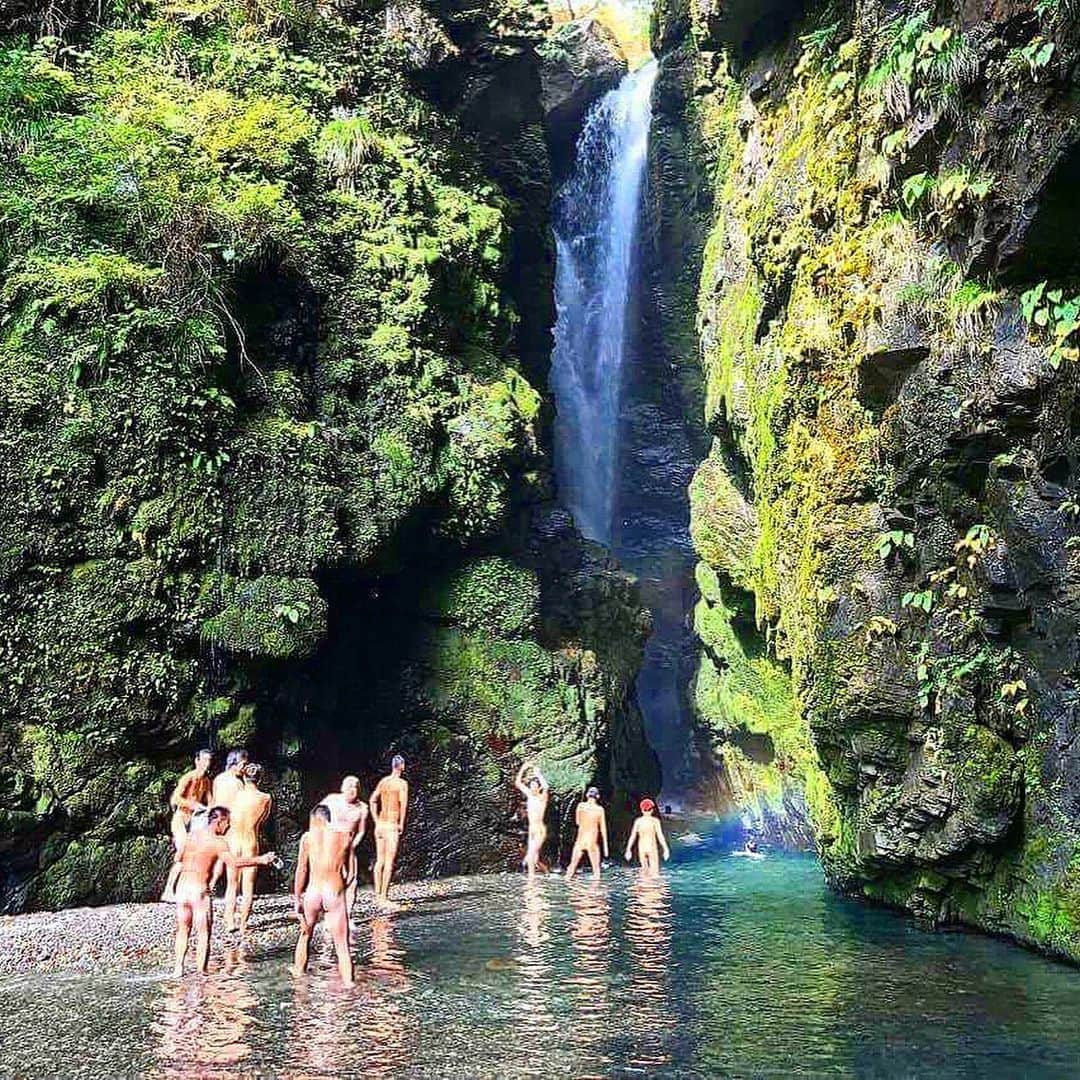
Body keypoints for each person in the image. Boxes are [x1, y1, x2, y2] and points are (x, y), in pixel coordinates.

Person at [172, 806, 276, 977]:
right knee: (203, 933)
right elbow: (233, 863)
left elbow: (178, 858)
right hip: (199, 890)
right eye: (227, 823)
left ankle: (178, 969)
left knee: (183, 929)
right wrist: (261, 859)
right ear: (218, 821)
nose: (228, 827)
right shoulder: (218, 842)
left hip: (182, 888)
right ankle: (201, 973)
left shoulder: (191, 836)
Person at [291, 804, 355, 986]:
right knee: (342, 945)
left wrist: (297, 898)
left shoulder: (308, 838)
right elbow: (350, 874)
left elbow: (301, 869)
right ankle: (349, 985)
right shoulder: (345, 836)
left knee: (305, 935)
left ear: (315, 819)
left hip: (313, 892)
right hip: (333, 892)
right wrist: (340, 888)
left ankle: (298, 976)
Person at [224, 762, 273, 933]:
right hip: (250, 839)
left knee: (232, 884)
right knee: (248, 884)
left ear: (244, 777)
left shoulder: (235, 795)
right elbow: (264, 819)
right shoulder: (265, 798)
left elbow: (228, 815)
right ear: (259, 779)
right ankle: (244, 924)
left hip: (233, 839)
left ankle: (230, 922)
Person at [162, 748, 213, 901]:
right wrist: (194, 805)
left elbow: (211, 802)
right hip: (181, 820)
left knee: (194, 854)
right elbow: (175, 799)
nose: (207, 764)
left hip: (195, 821)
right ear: (197, 761)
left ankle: (189, 888)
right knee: (183, 852)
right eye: (204, 760)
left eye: (209, 761)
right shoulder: (188, 777)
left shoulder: (206, 781)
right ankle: (168, 891)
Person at [319, 775, 369, 914]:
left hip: (349, 847)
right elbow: (318, 817)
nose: (352, 790)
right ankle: (329, 914)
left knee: (352, 880)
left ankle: (347, 914)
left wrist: (352, 845)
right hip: (331, 846)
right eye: (349, 787)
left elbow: (361, 831)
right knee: (330, 880)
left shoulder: (363, 808)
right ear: (342, 788)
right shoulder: (331, 800)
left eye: (355, 787)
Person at [370, 754, 409, 904]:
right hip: (391, 824)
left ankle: (377, 894)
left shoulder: (383, 782)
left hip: (380, 824)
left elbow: (372, 800)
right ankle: (383, 897)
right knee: (388, 861)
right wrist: (401, 823)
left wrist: (375, 820)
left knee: (379, 861)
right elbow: (403, 804)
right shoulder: (402, 784)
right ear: (401, 766)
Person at [566, 786, 608, 882]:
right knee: (596, 872)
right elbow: (603, 829)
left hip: (580, 841)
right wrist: (605, 846)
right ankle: (594, 894)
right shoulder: (600, 809)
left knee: (571, 868)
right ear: (597, 796)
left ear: (587, 795)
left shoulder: (580, 806)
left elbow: (577, 822)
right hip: (592, 842)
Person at [514, 761, 548, 879]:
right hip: (532, 830)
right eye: (531, 785)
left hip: (539, 830)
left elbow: (546, 787)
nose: (532, 787)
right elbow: (518, 783)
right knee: (536, 860)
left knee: (531, 856)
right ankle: (548, 875)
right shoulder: (529, 795)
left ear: (538, 787)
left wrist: (538, 774)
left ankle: (531, 879)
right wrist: (523, 768)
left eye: (535, 785)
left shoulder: (542, 797)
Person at [625, 798, 670, 878]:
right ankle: (654, 889)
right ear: (652, 810)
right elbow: (660, 836)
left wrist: (628, 850)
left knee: (644, 872)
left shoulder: (638, 821)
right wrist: (665, 849)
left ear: (641, 809)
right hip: (651, 848)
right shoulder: (655, 821)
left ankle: (644, 888)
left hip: (642, 849)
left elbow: (633, 836)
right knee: (655, 873)